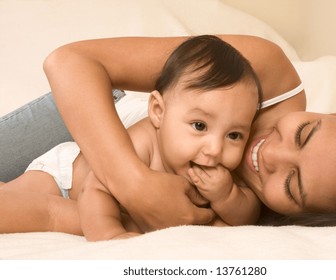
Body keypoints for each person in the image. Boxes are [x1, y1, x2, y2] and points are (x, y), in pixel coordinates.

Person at [2, 35, 336, 232]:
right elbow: (70, 61)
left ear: (307, 216)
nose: (268, 155)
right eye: (304, 133)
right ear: (335, 113)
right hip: (92, 118)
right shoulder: (263, 70)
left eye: (292, 184)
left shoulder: (254, 219)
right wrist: (137, 186)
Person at [0, 35, 263, 240]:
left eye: (234, 135)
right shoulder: (145, 140)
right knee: (10, 206)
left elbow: (248, 214)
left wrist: (227, 195)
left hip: (93, 200)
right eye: (199, 125)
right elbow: (96, 188)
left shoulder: (220, 171)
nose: (215, 148)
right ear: (159, 112)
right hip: (65, 177)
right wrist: (109, 235)